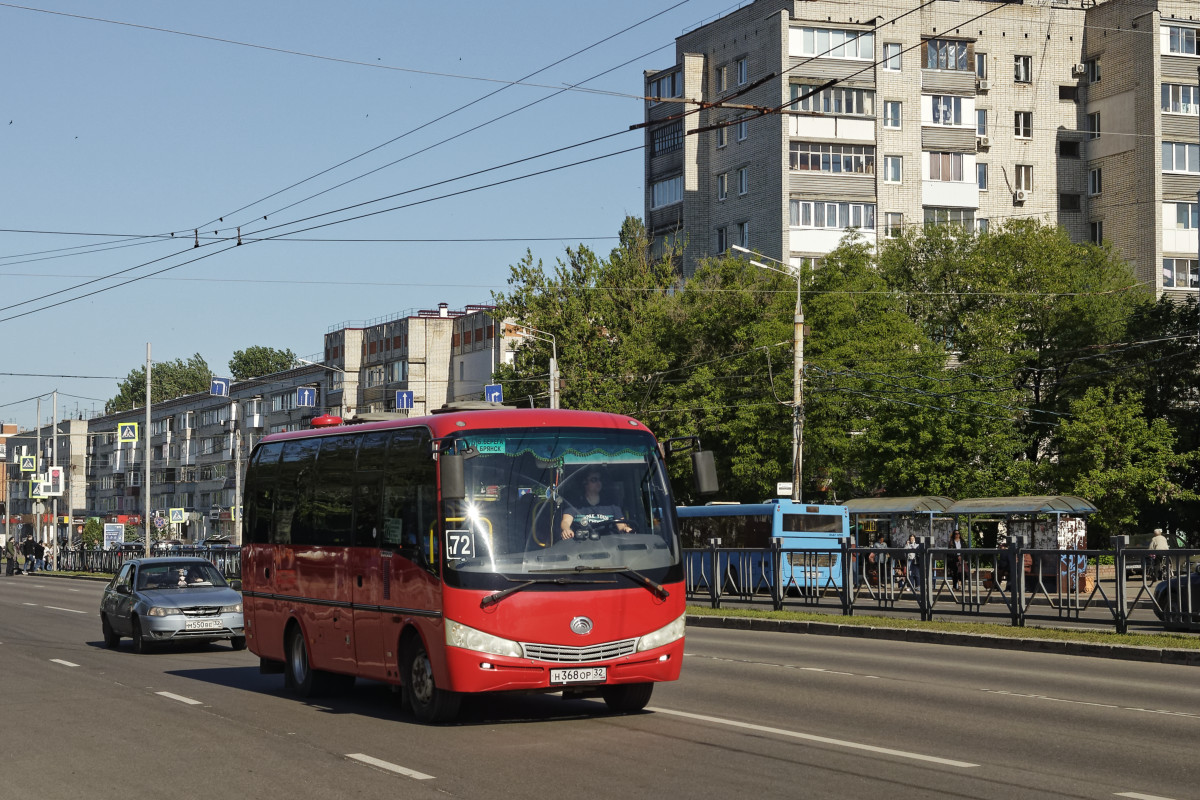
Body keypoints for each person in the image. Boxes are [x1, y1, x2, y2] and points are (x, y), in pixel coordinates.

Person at [560, 469, 632, 540]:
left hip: (609, 544)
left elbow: (621, 524)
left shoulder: (611, 503)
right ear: (584, 483)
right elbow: (566, 521)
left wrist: (625, 529)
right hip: (581, 544)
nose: (599, 482)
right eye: (594, 480)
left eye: (600, 480)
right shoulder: (575, 504)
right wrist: (566, 530)